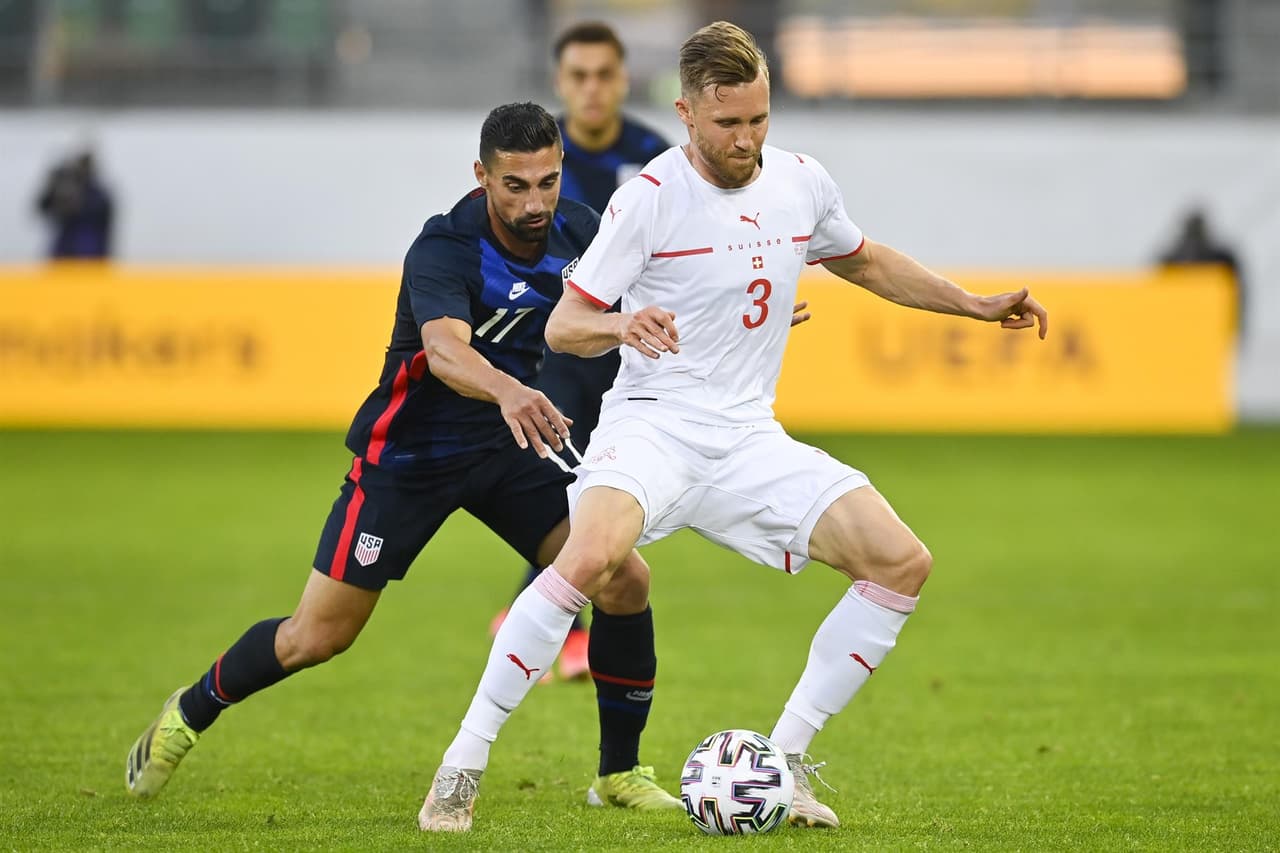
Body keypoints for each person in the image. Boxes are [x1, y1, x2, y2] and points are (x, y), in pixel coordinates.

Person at [424, 21, 1048, 832]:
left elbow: (862, 259)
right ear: (686, 112)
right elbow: (565, 327)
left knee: (900, 562)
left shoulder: (799, 181)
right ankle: (463, 764)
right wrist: (623, 326)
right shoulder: (648, 198)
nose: (746, 139)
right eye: (728, 124)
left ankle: (784, 763)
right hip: (653, 426)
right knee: (589, 558)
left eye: (758, 119)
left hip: (749, 437)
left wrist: (971, 302)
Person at [124, 103, 681, 828]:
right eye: (515, 185)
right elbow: (446, 352)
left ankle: (619, 771)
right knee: (317, 635)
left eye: (547, 181)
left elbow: (642, 298)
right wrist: (513, 389)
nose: (535, 201)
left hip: (508, 449)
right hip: (408, 456)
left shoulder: (580, 229)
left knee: (624, 577)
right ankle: (190, 710)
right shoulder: (445, 247)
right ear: (481, 176)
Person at [491, 21, 671, 682]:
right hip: (558, 355)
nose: (592, 88)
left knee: (603, 492)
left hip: (634, 359)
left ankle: (530, 617)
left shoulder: (657, 158)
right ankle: (554, 628)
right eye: (579, 76)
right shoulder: (541, 162)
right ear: (560, 83)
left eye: (604, 75)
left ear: (623, 80)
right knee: (570, 487)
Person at [1157, 207, 1245, 340]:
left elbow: (1236, 293)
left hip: (1211, 323)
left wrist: (1235, 323)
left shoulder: (1221, 258)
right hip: (1182, 324)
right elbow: (1157, 295)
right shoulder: (1171, 259)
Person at [35, 148, 114, 259]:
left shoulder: (98, 195)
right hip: (63, 254)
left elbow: (98, 214)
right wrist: (51, 189)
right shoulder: (64, 188)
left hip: (90, 256)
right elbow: (43, 208)